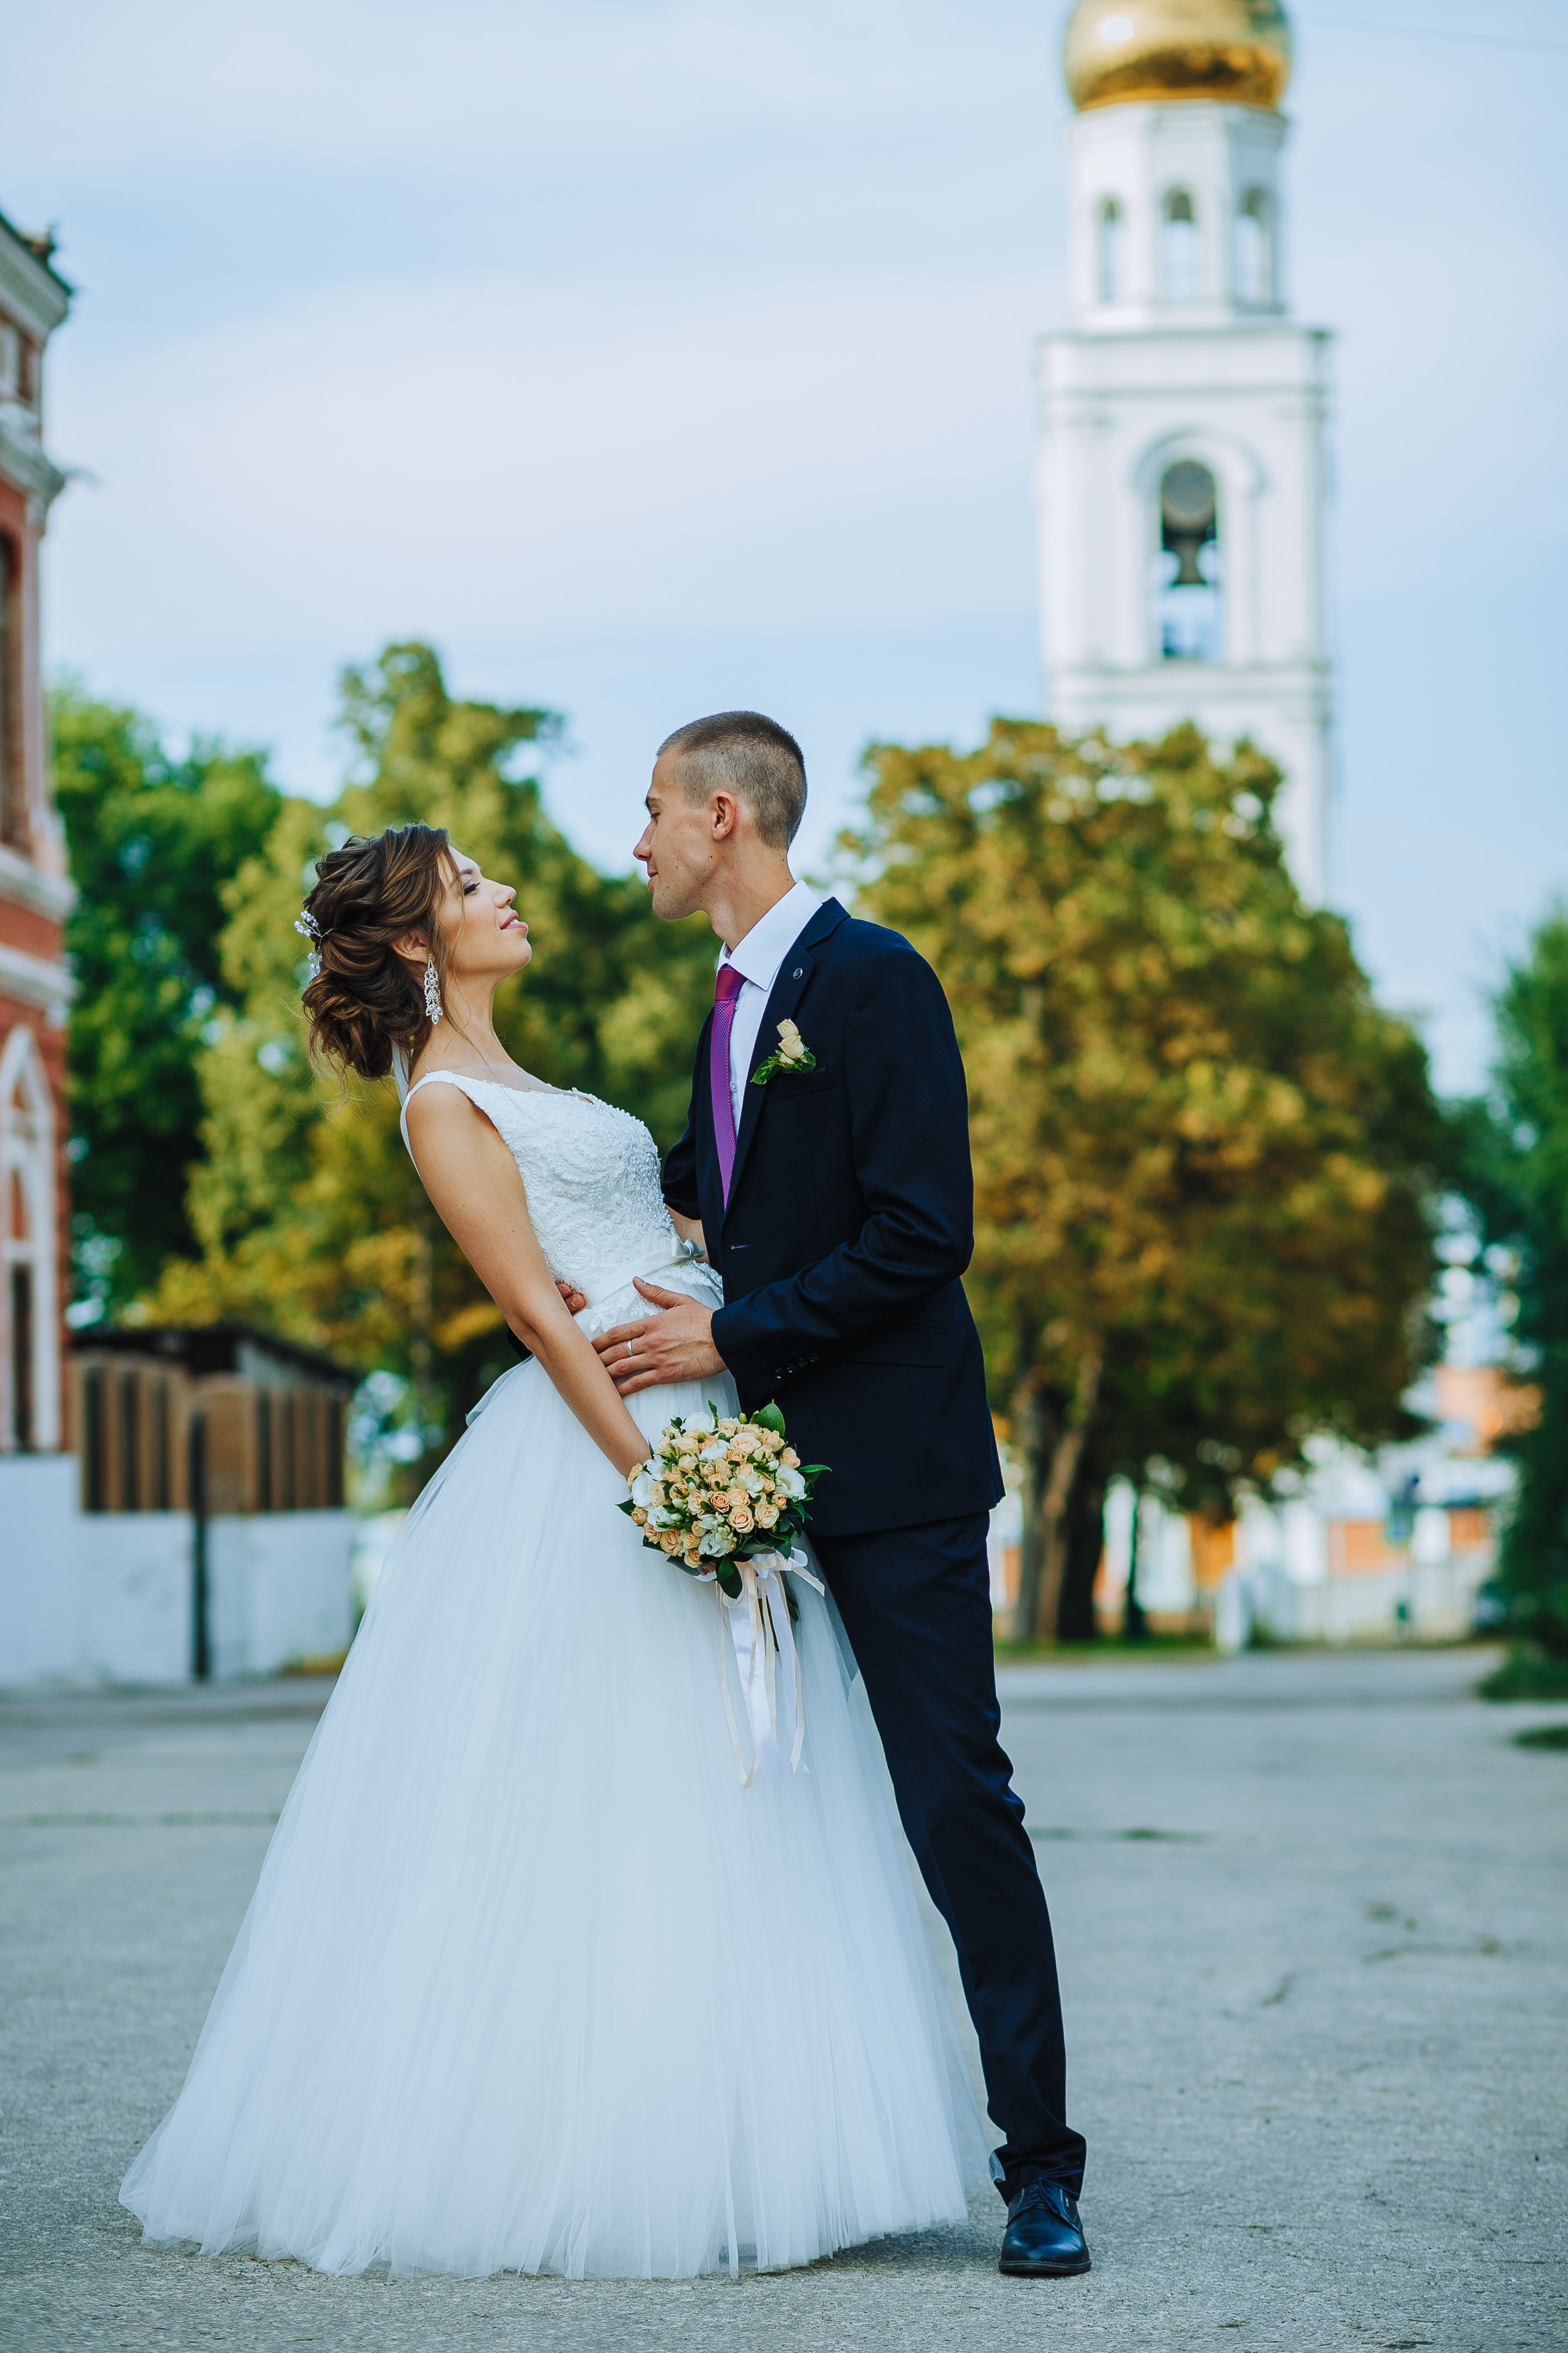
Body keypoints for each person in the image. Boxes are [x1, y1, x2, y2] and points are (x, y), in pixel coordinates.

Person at [120, 820, 987, 2280]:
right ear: (412, 941)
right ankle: (590, 2152)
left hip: (699, 1392)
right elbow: (537, 1311)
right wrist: (663, 1488)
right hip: (605, 1452)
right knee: (608, 1799)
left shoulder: (527, 1075)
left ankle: (738, 2133)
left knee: (731, 1796)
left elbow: (668, 1220)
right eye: (469, 887)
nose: (504, 893)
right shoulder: (444, 1101)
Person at [591, 711, 1089, 2278]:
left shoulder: (874, 980)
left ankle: (1042, 2168)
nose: (640, 841)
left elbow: (919, 1231)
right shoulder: (728, 1009)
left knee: (956, 1800)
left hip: (894, 1468)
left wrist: (734, 1329)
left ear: (723, 815)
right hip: (751, 1473)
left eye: (654, 812)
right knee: (761, 1800)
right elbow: (711, 1191)